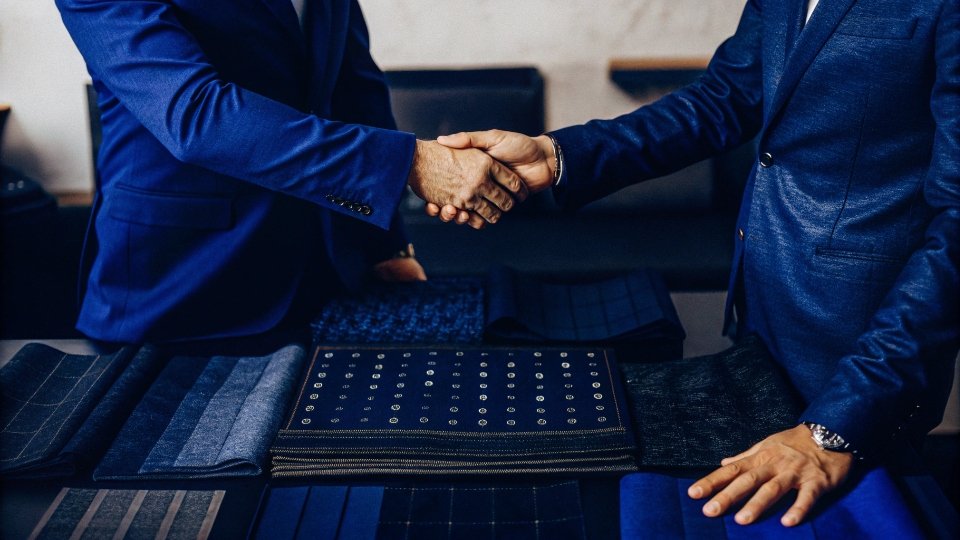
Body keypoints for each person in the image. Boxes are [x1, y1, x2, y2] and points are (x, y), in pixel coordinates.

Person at [430, 0, 960, 527]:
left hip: (866, 346)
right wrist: (559, 157)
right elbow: (724, 98)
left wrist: (836, 427)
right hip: (760, 314)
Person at [54, 0, 526, 345]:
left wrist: (384, 245)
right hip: (179, 293)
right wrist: (413, 162)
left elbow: (351, 89)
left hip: (323, 287)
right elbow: (196, 116)